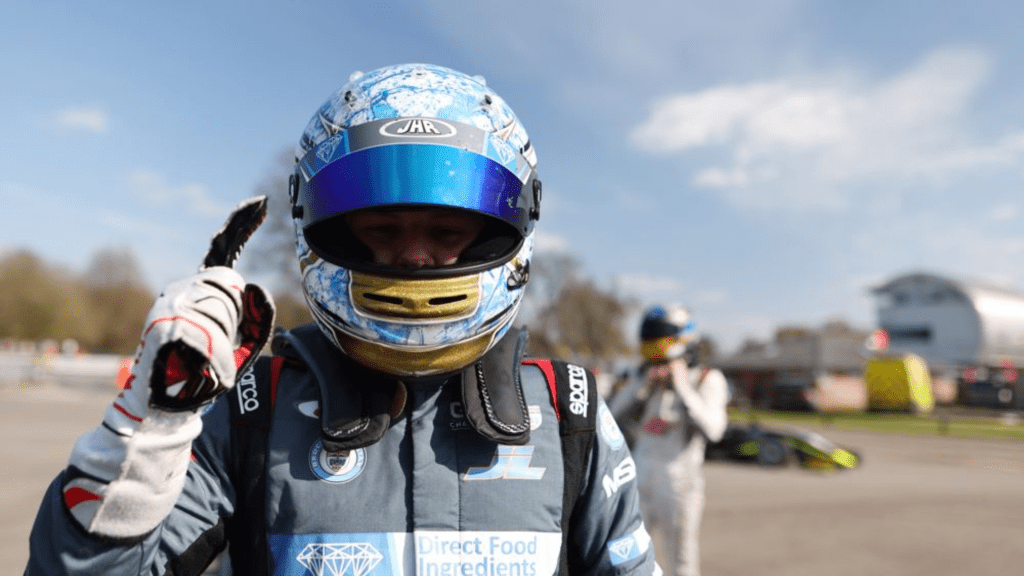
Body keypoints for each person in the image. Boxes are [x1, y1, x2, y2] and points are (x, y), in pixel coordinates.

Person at [25, 63, 659, 576]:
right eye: (382, 229)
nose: (414, 257)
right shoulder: (251, 411)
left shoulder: (570, 413)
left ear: (507, 229)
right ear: (324, 229)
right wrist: (148, 428)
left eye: (446, 232)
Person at [608, 305, 729, 576]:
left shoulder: (707, 379)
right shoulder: (643, 377)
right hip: (638, 480)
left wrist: (682, 385)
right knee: (628, 559)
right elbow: (610, 415)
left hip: (679, 484)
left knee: (681, 562)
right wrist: (643, 386)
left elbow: (715, 430)